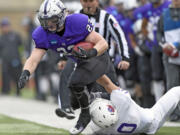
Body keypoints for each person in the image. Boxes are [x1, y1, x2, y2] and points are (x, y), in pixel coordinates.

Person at [17, 0, 122, 134]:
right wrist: (25, 73)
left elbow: (102, 43)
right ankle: (126, 104)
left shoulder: (77, 22)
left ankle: (86, 114)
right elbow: (34, 58)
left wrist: (91, 52)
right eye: (45, 20)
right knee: (108, 86)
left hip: (97, 57)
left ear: (61, 16)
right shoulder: (42, 34)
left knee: (75, 83)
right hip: (80, 62)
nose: (48, 24)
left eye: (52, 19)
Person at [55, 0, 129, 119]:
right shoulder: (73, 18)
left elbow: (119, 36)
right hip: (81, 60)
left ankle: (125, 114)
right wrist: (63, 58)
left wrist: (125, 58)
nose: (88, 4)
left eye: (91, 1)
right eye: (85, 1)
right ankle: (67, 106)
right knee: (74, 84)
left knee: (113, 93)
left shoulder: (107, 17)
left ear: (97, 1)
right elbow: (65, 39)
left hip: (103, 60)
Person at [89, 78, 180, 134]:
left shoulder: (99, 129)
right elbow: (107, 83)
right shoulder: (123, 103)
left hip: (140, 128)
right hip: (153, 119)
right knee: (177, 91)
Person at [157, 0, 180, 121]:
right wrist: (163, 44)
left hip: (175, 49)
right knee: (172, 84)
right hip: (170, 55)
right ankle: (174, 113)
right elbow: (159, 32)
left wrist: (176, 45)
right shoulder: (164, 13)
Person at [0, 17, 22, 96]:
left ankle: (18, 92)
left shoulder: (15, 36)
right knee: (5, 75)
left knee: (16, 76)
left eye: (6, 26)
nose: (4, 28)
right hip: (5, 61)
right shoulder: (1, 38)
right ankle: (5, 91)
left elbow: (21, 47)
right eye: (3, 26)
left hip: (15, 60)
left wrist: (21, 57)